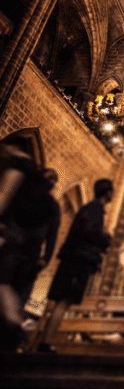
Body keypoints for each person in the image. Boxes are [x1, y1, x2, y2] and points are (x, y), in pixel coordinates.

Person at [37, 178, 114, 353]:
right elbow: (89, 232)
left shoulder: (91, 208)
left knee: (63, 301)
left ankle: (46, 342)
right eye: (112, 191)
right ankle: (45, 344)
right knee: (64, 300)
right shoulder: (95, 208)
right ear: (108, 192)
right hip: (78, 261)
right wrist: (105, 239)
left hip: (74, 258)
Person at [0, 138, 60, 350]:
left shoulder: (18, 167)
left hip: (12, 237)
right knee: (7, 286)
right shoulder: (38, 182)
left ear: (12, 147)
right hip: (26, 246)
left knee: (4, 284)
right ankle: (13, 331)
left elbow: (3, 196)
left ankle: (14, 328)